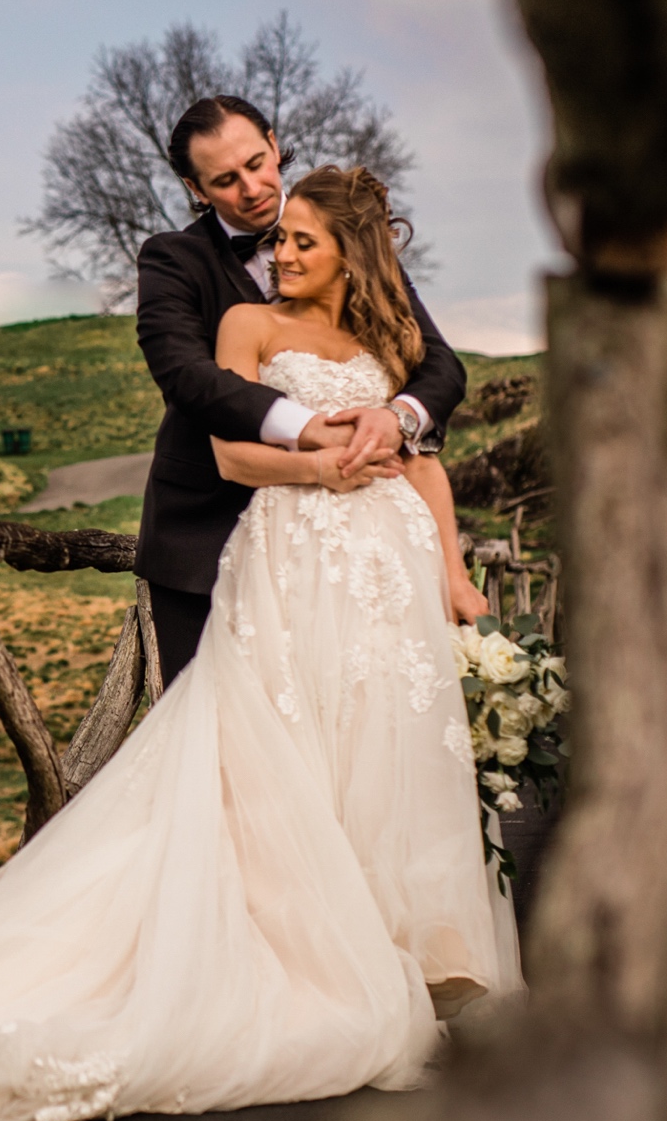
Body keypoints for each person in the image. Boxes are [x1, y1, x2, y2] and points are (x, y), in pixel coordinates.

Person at [0, 160, 519, 1121]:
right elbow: (232, 457)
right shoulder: (249, 327)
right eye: (278, 236)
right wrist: (325, 465)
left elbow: (425, 452)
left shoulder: (390, 343)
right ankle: (295, 948)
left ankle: (396, 939)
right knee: (276, 743)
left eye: (301, 239)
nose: (280, 253)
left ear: (352, 250)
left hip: (382, 569)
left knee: (379, 741)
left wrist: (450, 564)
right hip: (292, 548)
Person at [134, 95, 476, 685]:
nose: (252, 188)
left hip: (353, 550)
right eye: (225, 180)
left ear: (274, 142)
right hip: (207, 539)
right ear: (196, 188)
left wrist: (396, 418)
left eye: (257, 162)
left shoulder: (351, 238)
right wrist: (308, 428)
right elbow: (186, 375)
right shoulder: (173, 260)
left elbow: (438, 363)